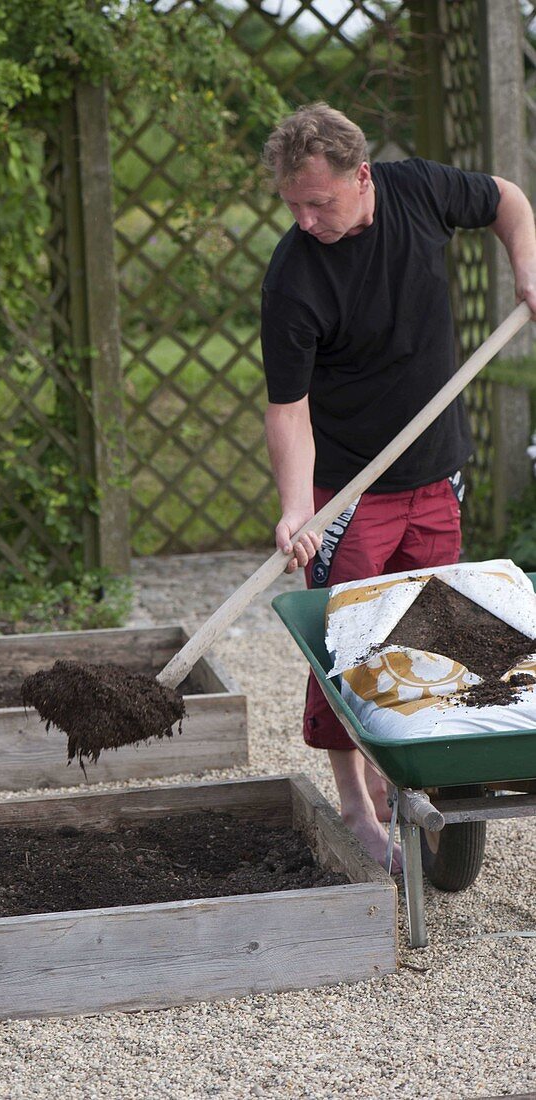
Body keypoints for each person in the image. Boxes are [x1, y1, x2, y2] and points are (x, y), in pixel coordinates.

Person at [260, 102, 536, 869]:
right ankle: (355, 800)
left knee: (439, 634)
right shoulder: (294, 279)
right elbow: (287, 412)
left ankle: (421, 772)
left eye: (321, 200)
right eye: (293, 205)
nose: (307, 218)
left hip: (436, 470)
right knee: (346, 646)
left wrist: (527, 265)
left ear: (363, 176)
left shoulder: (419, 190)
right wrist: (298, 508)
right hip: (352, 491)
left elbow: (507, 199)